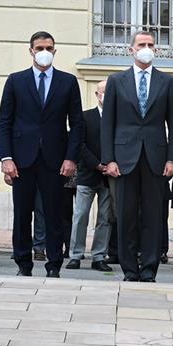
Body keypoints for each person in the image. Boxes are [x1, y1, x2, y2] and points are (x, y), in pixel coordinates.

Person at [0, 32, 83, 277]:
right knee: (22, 213)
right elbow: (5, 122)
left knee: (54, 213)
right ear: (31, 51)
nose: (44, 51)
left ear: (54, 51)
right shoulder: (16, 80)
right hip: (22, 159)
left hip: (55, 160)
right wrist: (6, 158)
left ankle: (54, 264)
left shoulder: (67, 82)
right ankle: (23, 263)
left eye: (49, 47)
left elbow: (76, 123)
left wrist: (71, 158)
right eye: (39, 47)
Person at [102, 31, 173, 283]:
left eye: (150, 45)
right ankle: (129, 269)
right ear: (131, 50)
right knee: (125, 216)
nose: (146, 48)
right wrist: (109, 159)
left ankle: (149, 268)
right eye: (141, 44)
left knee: (153, 216)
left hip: (156, 158)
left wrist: (172, 159)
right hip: (124, 158)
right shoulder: (116, 81)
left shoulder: (167, 81)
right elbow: (108, 124)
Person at [67, 80, 113, 272]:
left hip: (110, 176)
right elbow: (80, 144)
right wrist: (97, 164)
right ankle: (76, 255)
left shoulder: (118, 118)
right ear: (96, 94)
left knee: (105, 218)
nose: (105, 95)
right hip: (88, 174)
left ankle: (99, 256)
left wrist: (109, 165)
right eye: (103, 92)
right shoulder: (85, 117)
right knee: (81, 215)